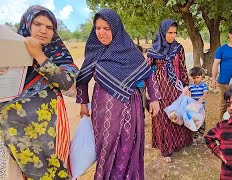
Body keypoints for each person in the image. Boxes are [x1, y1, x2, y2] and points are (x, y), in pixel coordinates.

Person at [76, 8, 160, 180]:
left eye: (106, 28)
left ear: (115, 28)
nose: (101, 33)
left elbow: (148, 74)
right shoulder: (93, 51)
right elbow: (82, 79)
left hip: (130, 107)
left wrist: (154, 99)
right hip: (102, 111)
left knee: (127, 147)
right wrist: (83, 104)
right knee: (105, 147)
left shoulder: (129, 51)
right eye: (98, 28)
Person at [0, 5, 78, 179]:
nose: (43, 30)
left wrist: (39, 56)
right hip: (15, 139)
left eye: (49, 27)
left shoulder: (58, 55)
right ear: (27, 24)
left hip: (50, 138)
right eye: (37, 24)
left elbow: (67, 83)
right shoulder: (7, 52)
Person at [147, 19, 192, 162]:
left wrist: (185, 86)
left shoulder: (178, 48)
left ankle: (179, 143)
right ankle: (166, 148)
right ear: (162, 32)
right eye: (169, 32)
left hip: (176, 88)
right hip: (160, 88)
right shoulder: (154, 50)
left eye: (175, 33)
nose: (173, 36)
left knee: (177, 113)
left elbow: (183, 68)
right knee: (163, 117)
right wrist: (150, 91)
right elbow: (147, 71)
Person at [188, 67, 208, 145]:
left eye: (197, 77)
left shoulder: (203, 85)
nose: (196, 80)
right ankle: (194, 137)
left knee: (202, 121)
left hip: (201, 108)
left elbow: (205, 94)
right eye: (194, 78)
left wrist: (200, 99)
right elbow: (188, 95)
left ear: (201, 76)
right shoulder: (191, 86)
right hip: (193, 108)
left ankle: (201, 136)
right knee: (194, 121)